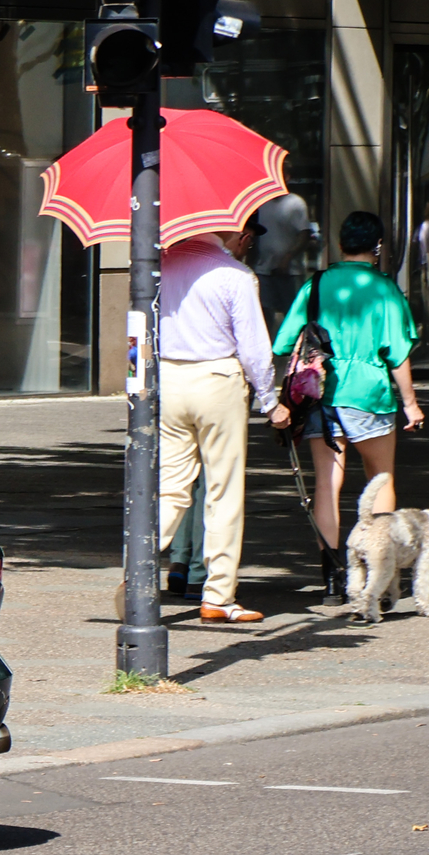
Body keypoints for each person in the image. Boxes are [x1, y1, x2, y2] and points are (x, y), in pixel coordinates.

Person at [273, 209, 426, 604]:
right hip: (370, 393)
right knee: (381, 481)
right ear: (377, 247)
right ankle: (380, 576)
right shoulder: (385, 290)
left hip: (322, 396)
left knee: (327, 485)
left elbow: (284, 342)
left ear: (340, 244)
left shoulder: (317, 284)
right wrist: (410, 404)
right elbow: (398, 353)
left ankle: (331, 580)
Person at [153, 225, 288, 622]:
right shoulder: (234, 274)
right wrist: (270, 401)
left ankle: (137, 568)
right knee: (223, 490)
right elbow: (254, 347)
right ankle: (218, 596)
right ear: (233, 231)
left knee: (171, 486)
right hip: (218, 380)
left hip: (169, 379)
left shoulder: (161, 266)